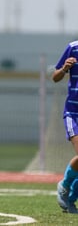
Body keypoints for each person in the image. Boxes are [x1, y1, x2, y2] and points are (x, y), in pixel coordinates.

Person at [53, 40, 78, 214]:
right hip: (74, 113)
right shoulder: (73, 47)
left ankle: (70, 199)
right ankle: (65, 184)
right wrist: (64, 69)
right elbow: (55, 77)